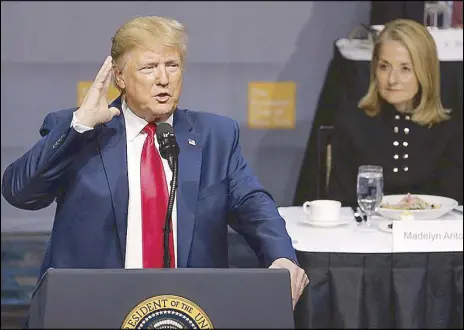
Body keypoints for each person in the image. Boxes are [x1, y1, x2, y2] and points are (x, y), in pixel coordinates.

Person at [1, 16, 308, 307]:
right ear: (119, 77)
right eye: (149, 68)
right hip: (93, 307)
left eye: (172, 65)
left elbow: (253, 205)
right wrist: (79, 126)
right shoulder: (82, 132)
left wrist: (281, 256)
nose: (163, 79)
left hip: (189, 309)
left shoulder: (216, 136)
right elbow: (20, 192)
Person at [328, 18, 463, 206]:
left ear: (426, 71)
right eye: (384, 66)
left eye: (405, 68)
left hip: (429, 233)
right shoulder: (353, 122)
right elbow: (340, 201)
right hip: (366, 232)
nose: (392, 79)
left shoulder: (449, 127)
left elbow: (453, 202)